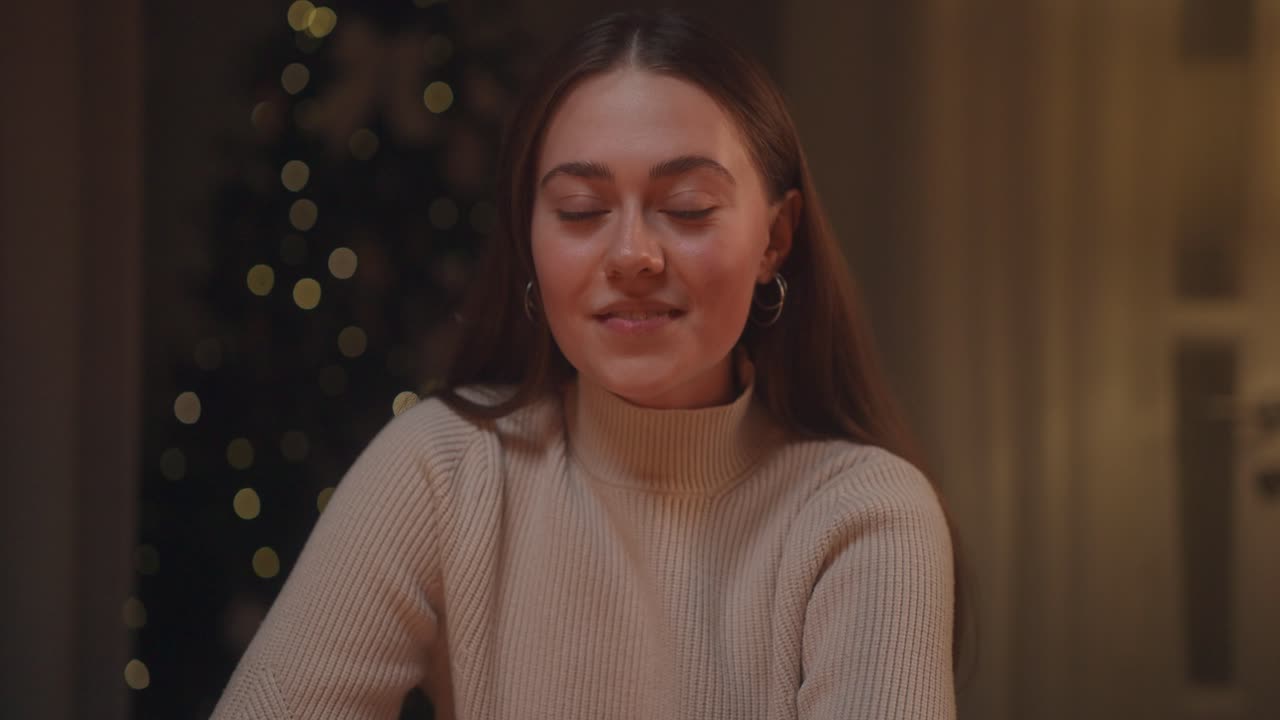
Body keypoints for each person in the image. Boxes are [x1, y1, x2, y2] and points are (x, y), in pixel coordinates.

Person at [212, 8, 964, 719]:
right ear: (531, 240)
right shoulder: (444, 471)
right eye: (579, 209)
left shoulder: (862, 515)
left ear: (775, 238)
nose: (633, 254)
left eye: (690, 206)